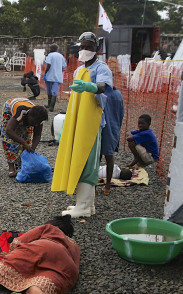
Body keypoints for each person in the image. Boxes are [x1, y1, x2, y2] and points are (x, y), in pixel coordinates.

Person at [51, 31, 113, 218]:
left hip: (92, 124)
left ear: (97, 49)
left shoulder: (101, 68)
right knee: (77, 158)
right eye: (83, 47)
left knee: (88, 162)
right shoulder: (79, 70)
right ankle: (86, 204)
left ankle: (84, 207)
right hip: (78, 122)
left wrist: (92, 87)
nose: (85, 50)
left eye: (89, 47)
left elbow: (104, 85)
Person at [2, 98, 48, 178]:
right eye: (33, 122)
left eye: (37, 123)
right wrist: (23, 142)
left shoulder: (39, 118)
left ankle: (22, 164)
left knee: (28, 138)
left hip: (26, 110)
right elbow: (9, 130)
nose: (36, 125)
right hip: (10, 106)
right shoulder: (21, 111)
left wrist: (32, 148)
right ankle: (11, 167)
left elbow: (37, 135)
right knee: (9, 139)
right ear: (29, 116)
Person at [100, 86, 125, 195]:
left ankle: (93, 185)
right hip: (113, 128)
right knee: (109, 157)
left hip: (100, 128)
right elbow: (121, 113)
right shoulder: (118, 94)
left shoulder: (101, 94)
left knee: (97, 158)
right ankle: (108, 186)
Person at [43, 44, 67, 112]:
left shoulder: (50, 55)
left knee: (49, 91)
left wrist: (46, 72)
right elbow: (63, 66)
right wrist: (59, 72)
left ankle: (49, 105)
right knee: (54, 92)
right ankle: (51, 106)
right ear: (57, 49)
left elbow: (48, 65)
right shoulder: (61, 56)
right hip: (58, 77)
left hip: (50, 76)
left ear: (51, 49)